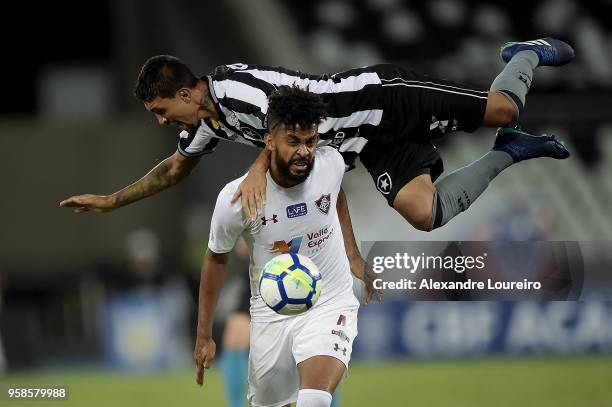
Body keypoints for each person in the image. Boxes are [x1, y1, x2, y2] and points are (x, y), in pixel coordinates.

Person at [60, 37, 572, 232]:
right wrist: (112, 200)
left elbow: (286, 124)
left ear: (187, 93)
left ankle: (525, 54)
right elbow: (174, 168)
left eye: (160, 108)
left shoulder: (235, 88)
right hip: (369, 141)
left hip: (383, 98)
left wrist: (259, 168)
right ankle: (509, 155)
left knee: (501, 109)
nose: (161, 120)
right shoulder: (209, 119)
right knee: (423, 213)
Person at [195, 86, 359, 407]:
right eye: (294, 142)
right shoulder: (236, 201)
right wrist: (204, 334)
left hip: (329, 301)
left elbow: (336, 194)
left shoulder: (332, 165)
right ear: (269, 142)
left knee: (314, 398)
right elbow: (216, 259)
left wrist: (351, 253)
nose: (304, 152)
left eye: (310, 142)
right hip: (270, 314)